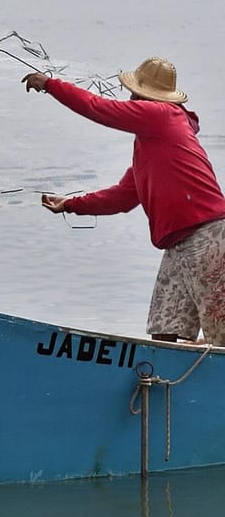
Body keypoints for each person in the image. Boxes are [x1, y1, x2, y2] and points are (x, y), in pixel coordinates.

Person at [25, 57, 225, 342]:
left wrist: (50, 84)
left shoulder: (162, 115)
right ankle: (163, 384)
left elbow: (99, 108)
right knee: (163, 330)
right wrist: (70, 204)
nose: (130, 98)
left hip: (210, 238)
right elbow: (122, 197)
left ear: (148, 97)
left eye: (135, 93)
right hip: (178, 245)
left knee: (221, 338)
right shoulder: (153, 144)